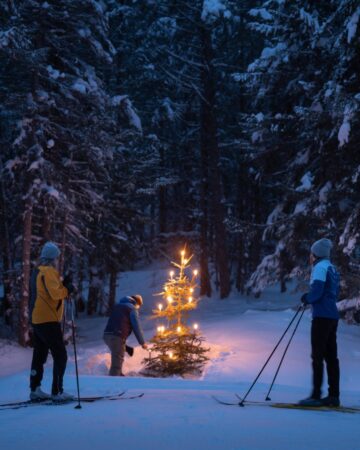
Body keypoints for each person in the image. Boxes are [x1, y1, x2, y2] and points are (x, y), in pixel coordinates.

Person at [29, 242, 74, 402]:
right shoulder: (49, 271)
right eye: (57, 257)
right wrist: (67, 289)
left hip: (38, 318)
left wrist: (64, 284)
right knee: (60, 355)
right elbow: (55, 294)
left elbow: (48, 291)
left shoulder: (38, 271)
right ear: (53, 258)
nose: (58, 260)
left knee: (39, 355)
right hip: (48, 319)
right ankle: (57, 391)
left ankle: (35, 389)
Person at [299, 238, 340, 407]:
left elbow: (316, 292)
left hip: (321, 317)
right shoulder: (332, 267)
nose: (310, 256)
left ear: (316, 254)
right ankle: (333, 396)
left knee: (317, 356)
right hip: (332, 316)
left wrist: (306, 298)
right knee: (331, 357)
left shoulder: (319, 267)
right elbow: (334, 291)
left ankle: (316, 396)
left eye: (311, 253)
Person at [103, 295, 148, 376]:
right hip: (117, 336)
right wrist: (142, 343)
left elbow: (117, 322)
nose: (138, 308)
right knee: (116, 363)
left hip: (107, 335)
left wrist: (124, 346)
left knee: (119, 356)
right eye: (139, 306)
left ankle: (119, 375)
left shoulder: (118, 306)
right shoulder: (132, 309)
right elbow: (136, 326)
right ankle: (113, 383)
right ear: (137, 303)